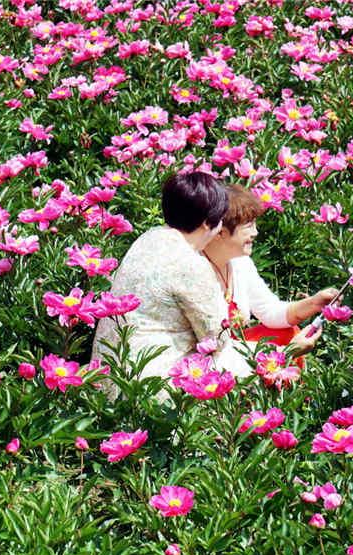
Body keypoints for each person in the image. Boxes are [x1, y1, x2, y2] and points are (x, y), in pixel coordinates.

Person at [92, 171, 233, 402]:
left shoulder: (148, 239)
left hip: (106, 380)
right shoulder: (190, 263)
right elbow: (217, 338)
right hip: (149, 391)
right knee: (243, 362)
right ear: (208, 222)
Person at [202, 184, 339, 361]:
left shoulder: (240, 263)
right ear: (221, 232)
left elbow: (270, 310)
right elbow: (211, 347)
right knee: (284, 345)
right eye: (248, 226)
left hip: (234, 348)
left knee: (287, 332)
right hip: (209, 356)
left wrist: (315, 303)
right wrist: (286, 351)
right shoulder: (196, 271)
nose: (255, 232)